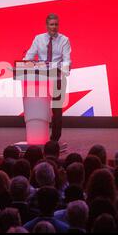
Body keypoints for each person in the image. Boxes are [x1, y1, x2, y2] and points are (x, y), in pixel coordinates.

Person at [23, 14, 71, 142]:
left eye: (56, 24)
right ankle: (38, 135)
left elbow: (66, 60)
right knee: (38, 109)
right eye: (51, 24)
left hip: (57, 79)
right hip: (40, 81)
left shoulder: (64, 40)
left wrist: (64, 68)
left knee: (57, 111)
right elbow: (29, 57)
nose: (54, 27)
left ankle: (55, 139)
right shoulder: (39, 39)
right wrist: (24, 64)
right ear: (47, 26)